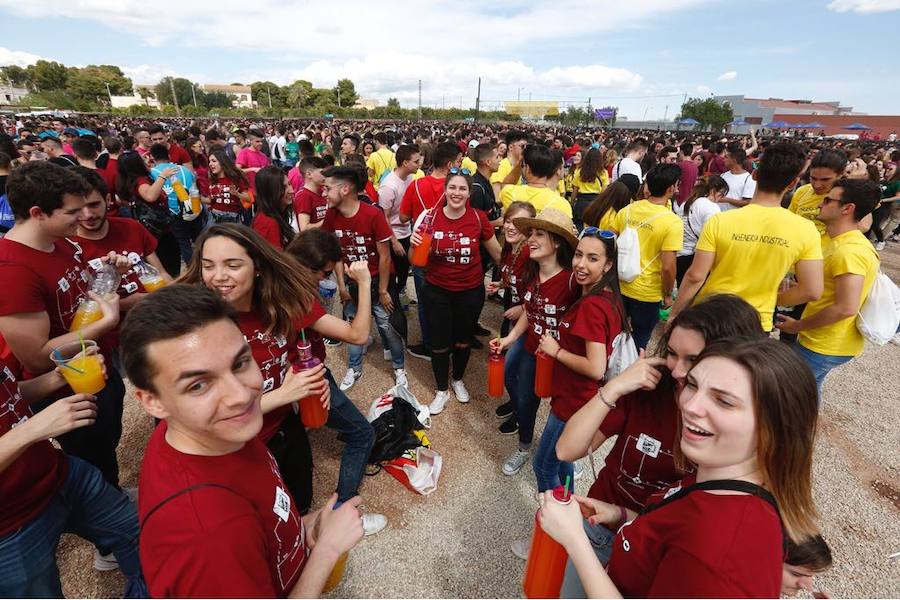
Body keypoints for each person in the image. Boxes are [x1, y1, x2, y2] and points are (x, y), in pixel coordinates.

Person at [118, 284, 364, 598]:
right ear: (152, 402)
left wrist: (305, 528)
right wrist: (327, 550)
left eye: (240, 364)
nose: (240, 395)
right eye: (198, 385)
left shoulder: (217, 432)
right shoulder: (206, 536)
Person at [540, 337, 819, 598]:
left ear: (775, 428)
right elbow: (672, 533)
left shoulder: (721, 552)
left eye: (723, 401)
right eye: (693, 386)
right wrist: (619, 513)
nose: (690, 406)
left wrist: (574, 540)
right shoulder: (718, 478)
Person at [180, 223, 386, 532]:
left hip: (285, 429)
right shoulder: (198, 328)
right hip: (242, 448)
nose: (218, 276)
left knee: (298, 503)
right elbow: (201, 415)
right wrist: (289, 392)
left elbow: (292, 359)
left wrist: (312, 382)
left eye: (232, 264)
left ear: (259, 266)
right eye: (208, 266)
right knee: (265, 524)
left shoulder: (281, 304)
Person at [552, 294, 763, 591]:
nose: (677, 370)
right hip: (604, 525)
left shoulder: (737, 437)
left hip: (656, 550)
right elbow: (567, 449)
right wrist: (615, 387)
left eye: (694, 360)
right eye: (673, 354)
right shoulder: (649, 390)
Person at [0, 349, 144, 597]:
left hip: (60, 474)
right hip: (9, 528)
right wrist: (32, 428)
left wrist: (58, 378)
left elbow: (10, 393)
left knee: (141, 535)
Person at [518, 228, 626, 557]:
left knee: (543, 466)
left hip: (573, 405)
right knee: (563, 462)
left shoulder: (593, 306)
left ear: (608, 266)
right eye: (579, 255)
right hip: (579, 401)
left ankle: (554, 535)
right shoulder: (604, 296)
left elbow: (595, 367)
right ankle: (569, 519)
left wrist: (556, 350)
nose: (581, 264)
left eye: (593, 258)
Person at [672, 142, 824, 332]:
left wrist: (675, 314)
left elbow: (695, 276)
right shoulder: (806, 230)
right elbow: (812, 290)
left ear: (754, 175)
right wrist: (772, 297)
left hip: (711, 315)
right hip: (756, 321)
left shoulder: (721, 221)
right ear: (792, 183)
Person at [491, 208, 579, 473]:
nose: (531, 239)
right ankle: (524, 447)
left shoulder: (574, 281)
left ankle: (568, 456)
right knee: (527, 402)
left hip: (563, 360)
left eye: (540, 234)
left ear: (557, 242)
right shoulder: (531, 272)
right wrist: (510, 338)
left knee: (563, 413)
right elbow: (530, 311)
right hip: (532, 351)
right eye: (531, 233)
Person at [776, 179, 880, 400]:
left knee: (785, 395)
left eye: (828, 200)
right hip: (824, 340)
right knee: (809, 391)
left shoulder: (850, 251)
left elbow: (845, 307)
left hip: (825, 343)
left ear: (847, 208)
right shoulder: (838, 242)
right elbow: (829, 289)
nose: (820, 204)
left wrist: (798, 326)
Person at [409, 170, 501, 414]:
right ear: (445, 190)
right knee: (439, 343)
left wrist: (515, 277)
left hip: (470, 291)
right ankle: (441, 390)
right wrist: (414, 246)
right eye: (452, 188)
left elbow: (498, 254)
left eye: (462, 189)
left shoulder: (478, 218)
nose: (457, 193)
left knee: (462, 340)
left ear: (469, 193)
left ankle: (458, 379)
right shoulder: (429, 217)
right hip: (437, 291)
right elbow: (415, 261)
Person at [322, 166, 407, 391]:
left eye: (328, 188)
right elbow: (336, 254)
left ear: (345, 189)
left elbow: (385, 256)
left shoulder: (373, 214)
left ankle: (399, 369)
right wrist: (342, 286)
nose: (324, 193)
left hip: (377, 282)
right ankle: (354, 367)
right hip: (351, 284)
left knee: (387, 327)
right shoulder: (331, 215)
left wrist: (383, 290)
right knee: (352, 326)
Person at [72, 167, 173, 311]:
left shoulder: (131, 227)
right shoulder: (67, 247)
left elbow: (161, 273)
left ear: (107, 200)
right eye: (78, 208)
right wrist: (124, 304)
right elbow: (80, 306)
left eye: (94, 205)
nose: (88, 214)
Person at [610, 163, 683, 351]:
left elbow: (610, 242)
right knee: (641, 337)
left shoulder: (626, 211)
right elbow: (668, 267)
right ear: (671, 188)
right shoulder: (672, 222)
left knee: (613, 331)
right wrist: (667, 294)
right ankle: (630, 370)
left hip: (619, 283)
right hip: (647, 292)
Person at [399, 141, 462, 360]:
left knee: (426, 300)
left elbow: (403, 217)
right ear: (451, 163)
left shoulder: (416, 185)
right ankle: (452, 340)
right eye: (459, 161)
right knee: (451, 298)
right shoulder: (457, 188)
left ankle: (430, 344)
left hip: (422, 250)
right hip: (449, 251)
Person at [149, 143, 205, 266]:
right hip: (194, 208)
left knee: (183, 243)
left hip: (174, 212)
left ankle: (192, 269)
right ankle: (205, 264)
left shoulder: (153, 173)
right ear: (168, 155)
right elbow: (194, 183)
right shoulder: (183, 169)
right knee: (199, 240)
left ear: (152, 157)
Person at [378, 144, 421, 298]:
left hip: (407, 231)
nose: (419, 164)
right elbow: (383, 217)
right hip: (393, 236)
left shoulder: (410, 177)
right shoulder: (388, 186)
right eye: (416, 161)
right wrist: (394, 241)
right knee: (395, 271)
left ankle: (400, 294)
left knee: (404, 270)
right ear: (405, 163)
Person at [672, 175, 726, 285]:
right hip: (695, 256)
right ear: (713, 191)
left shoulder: (688, 201)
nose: (721, 199)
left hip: (679, 254)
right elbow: (713, 235)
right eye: (721, 194)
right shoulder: (711, 207)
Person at [788, 149, 848, 241]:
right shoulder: (802, 191)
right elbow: (790, 221)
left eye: (825, 180)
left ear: (840, 174)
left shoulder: (848, 194)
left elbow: (864, 226)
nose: (817, 185)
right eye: (813, 178)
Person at [499, 144, 574, 217]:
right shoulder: (561, 204)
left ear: (527, 168)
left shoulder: (510, 193)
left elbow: (505, 184)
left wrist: (520, 163)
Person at [252, 165, 296, 251]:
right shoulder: (268, 222)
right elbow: (275, 260)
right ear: (270, 192)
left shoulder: (278, 214)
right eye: (283, 188)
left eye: (289, 184)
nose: (291, 191)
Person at [206, 147, 251, 224]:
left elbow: (248, 199)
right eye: (209, 161)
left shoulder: (235, 178)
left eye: (214, 161)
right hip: (214, 217)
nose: (210, 164)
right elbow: (210, 200)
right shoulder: (211, 180)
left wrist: (237, 194)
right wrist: (199, 197)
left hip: (232, 218)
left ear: (222, 162)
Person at [570, 148, 609, 230]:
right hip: (595, 203)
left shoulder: (579, 171)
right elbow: (604, 192)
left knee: (579, 228)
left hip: (581, 203)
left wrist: (572, 203)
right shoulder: (603, 172)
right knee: (593, 229)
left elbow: (574, 191)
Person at [294, 156, 329, 230]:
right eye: (322, 172)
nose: (326, 176)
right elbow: (304, 227)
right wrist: (328, 220)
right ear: (309, 174)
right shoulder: (303, 196)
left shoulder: (324, 192)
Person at [718, 146, 756, 211]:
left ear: (734, 160)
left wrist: (727, 200)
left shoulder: (748, 179)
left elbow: (748, 202)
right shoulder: (723, 175)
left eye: (726, 157)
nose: (724, 160)